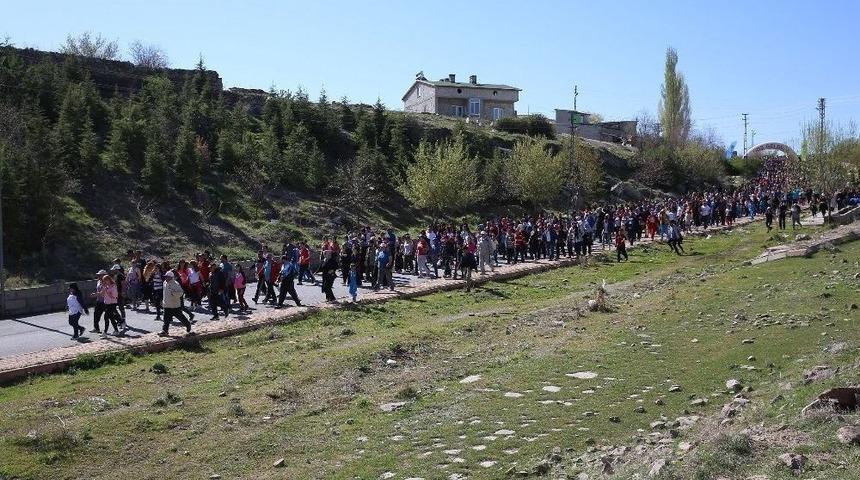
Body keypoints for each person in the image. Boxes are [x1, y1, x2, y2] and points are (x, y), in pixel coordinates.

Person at [159, 271, 193, 337]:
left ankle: (188, 324)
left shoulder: (176, 284)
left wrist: (174, 293)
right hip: (167, 305)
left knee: (180, 317)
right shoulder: (164, 283)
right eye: (165, 277)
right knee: (166, 319)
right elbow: (164, 293)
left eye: (167, 277)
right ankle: (165, 331)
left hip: (174, 305)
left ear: (171, 277)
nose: (166, 278)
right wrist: (163, 301)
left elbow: (181, 293)